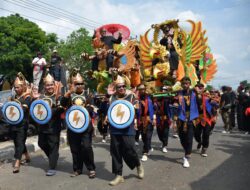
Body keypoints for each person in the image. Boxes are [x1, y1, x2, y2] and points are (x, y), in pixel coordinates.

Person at [107, 75, 144, 186]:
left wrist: (136, 107)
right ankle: (118, 175)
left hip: (128, 128)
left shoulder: (132, 96)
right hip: (114, 128)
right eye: (119, 87)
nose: (122, 88)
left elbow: (138, 110)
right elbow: (108, 110)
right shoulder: (111, 98)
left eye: (123, 86)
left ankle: (138, 164)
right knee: (115, 151)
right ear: (116, 88)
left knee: (129, 148)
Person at [61, 71, 96, 178]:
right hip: (73, 126)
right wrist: (68, 94)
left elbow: (91, 108)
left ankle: (91, 168)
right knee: (75, 148)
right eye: (77, 84)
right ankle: (77, 169)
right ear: (73, 85)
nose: (79, 86)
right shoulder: (69, 95)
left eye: (81, 83)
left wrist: (82, 110)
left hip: (85, 127)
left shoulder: (88, 95)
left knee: (86, 147)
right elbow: (62, 104)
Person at [37, 73, 64, 176]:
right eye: (47, 85)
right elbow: (37, 110)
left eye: (51, 84)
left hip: (54, 126)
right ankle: (54, 157)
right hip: (42, 126)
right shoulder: (41, 97)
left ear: (54, 84)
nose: (49, 87)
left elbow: (60, 109)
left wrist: (52, 110)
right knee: (41, 143)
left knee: (53, 146)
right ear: (45, 86)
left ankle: (52, 166)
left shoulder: (58, 96)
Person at [8, 73, 31, 173]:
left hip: (23, 123)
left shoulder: (27, 97)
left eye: (18, 87)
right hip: (13, 123)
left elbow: (24, 109)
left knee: (20, 141)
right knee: (17, 141)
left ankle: (17, 162)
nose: (16, 89)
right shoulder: (14, 97)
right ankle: (27, 156)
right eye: (15, 87)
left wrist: (17, 105)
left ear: (22, 87)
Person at [177, 77, 199, 168]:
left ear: (190, 84)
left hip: (191, 118)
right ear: (182, 84)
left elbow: (201, 103)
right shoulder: (178, 93)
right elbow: (172, 102)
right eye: (184, 83)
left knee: (189, 138)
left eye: (187, 83)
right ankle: (186, 150)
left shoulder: (195, 93)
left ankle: (187, 156)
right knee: (182, 138)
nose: (185, 85)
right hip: (181, 118)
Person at [136, 84, 155, 162]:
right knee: (144, 137)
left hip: (149, 119)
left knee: (148, 136)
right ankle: (148, 146)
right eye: (140, 89)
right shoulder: (136, 99)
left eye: (143, 89)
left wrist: (154, 118)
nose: (141, 90)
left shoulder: (151, 97)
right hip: (140, 120)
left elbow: (155, 108)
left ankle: (145, 152)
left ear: (145, 89)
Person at [153, 86, 171, 153]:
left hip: (166, 118)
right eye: (162, 90)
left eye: (165, 90)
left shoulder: (167, 99)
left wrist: (168, 95)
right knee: (159, 132)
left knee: (165, 132)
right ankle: (162, 141)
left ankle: (164, 145)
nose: (164, 91)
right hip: (158, 118)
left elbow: (171, 100)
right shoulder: (155, 99)